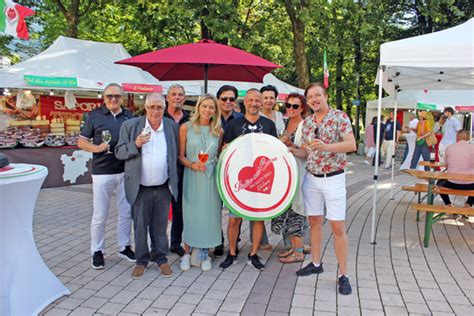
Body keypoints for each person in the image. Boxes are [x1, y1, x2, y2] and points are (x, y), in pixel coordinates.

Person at [292, 83, 356, 295]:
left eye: (317, 95)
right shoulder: (308, 122)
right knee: (314, 222)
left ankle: (343, 275)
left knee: (337, 227)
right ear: (307, 101)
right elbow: (305, 153)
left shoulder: (340, 116)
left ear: (325, 96)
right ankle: (316, 263)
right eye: (310, 97)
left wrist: (326, 147)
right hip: (312, 179)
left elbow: (351, 145)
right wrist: (289, 149)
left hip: (334, 179)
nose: (314, 99)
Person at [115, 93, 179, 279]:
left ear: (164, 108)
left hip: (162, 185)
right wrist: (135, 144)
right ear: (146, 108)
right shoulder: (131, 125)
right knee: (141, 226)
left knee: (160, 225)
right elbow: (119, 152)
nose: (156, 111)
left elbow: (174, 154)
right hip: (140, 186)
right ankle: (141, 260)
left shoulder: (171, 126)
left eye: (159, 107)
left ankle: (161, 258)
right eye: (152, 107)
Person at [78, 83, 135, 270]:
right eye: (110, 96)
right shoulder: (94, 115)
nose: (113, 99)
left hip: (125, 170)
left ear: (122, 98)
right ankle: (97, 251)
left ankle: (124, 246)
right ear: (103, 98)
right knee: (100, 214)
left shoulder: (129, 116)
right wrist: (97, 148)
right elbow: (81, 141)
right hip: (102, 172)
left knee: (126, 212)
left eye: (117, 96)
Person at [219, 88, 277, 271]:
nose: (254, 104)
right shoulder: (233, 125)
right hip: (239, 179)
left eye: (257, 100)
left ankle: (253, 254)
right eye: (250, 100)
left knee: (258, 218)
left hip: (260, 180)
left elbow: (274, 151)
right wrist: (228, 146)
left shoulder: (269, 125)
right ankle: (232, 253)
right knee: (234, 219)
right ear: (244, 102)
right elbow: (224, 150)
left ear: (261, 103)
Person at [178, 94, 224, 272]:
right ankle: (187, 254)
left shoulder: (218, 131)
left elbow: (219, 156)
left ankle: (205, 254)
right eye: (204, 106)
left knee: (209, 216)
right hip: (192, 176)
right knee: (191, 216)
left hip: (211, 179)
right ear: (198, 107)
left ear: (215, 111)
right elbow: (180, 156)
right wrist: (192, 164)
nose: (207, 110)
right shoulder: (186, 128)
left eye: (211, 107)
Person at [273, 93, 309, 263]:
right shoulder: (286, 123)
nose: (291, 109)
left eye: (295, 106)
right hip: (285, 172)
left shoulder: (305, 125)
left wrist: (291, 145)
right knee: (287, 209)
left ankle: (299, 252)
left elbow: (307, 151)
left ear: (302, 108)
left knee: (296, 210)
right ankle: (293, 248)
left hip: (298, 172)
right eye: (288, 105)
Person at [159, 84, 189, 258]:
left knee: (179, 210)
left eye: (180, 95)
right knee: (161, 209)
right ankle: (159, 245)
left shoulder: (189, 118)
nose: (177, 97)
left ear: (184, 98)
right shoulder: (158, 116)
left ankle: (175, 243)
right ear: (167, 97)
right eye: (174, 94)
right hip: (163, 168)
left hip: (183, 168)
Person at [214, 85, 243, 257]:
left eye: (231, 99)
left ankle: (235, 240)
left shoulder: (241, 119)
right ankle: (217, 241)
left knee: (235, 210)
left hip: (235, 171)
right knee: (214, 208)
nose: (227, 102)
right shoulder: (210, 116)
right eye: (224, 98)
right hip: (213, 169)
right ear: (218, 99)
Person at [436, 130, 474, 208]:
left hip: (452, 183)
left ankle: (448, 204)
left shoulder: (449, 148)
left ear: (457, 137)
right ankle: (468, 204)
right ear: (468, 138)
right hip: (470, 184)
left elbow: (447, 166)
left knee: (439, 183)